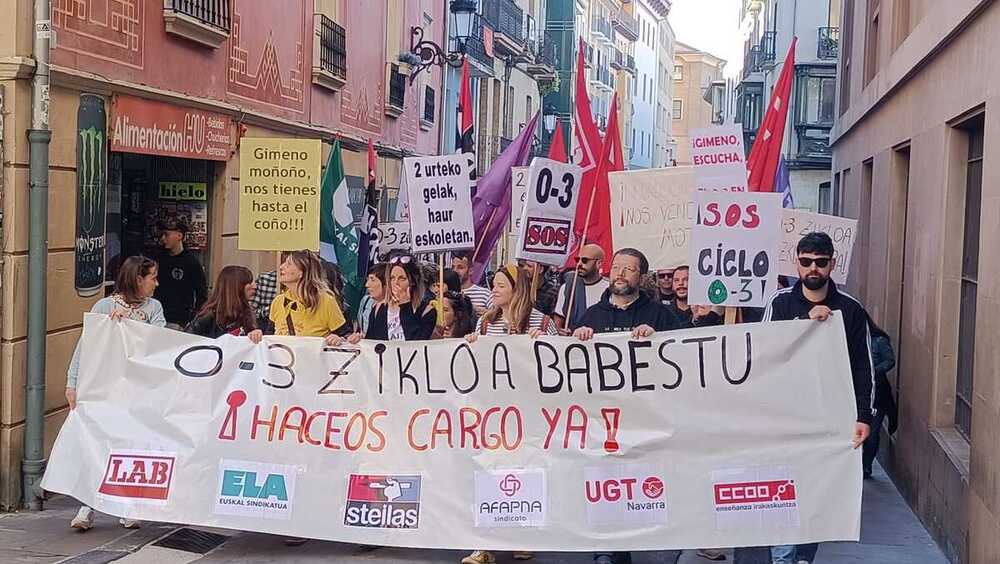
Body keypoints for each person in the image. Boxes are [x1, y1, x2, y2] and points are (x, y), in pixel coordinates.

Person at [763, 232, 874, 564]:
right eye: (806, 261)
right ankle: (784, 557)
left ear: (832, 265)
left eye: (821, 262)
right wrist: (802, 325)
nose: (813, 268)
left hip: (832, 419)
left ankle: (803, 556)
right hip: (785, 417)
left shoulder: (851, 309)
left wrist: (864, 417)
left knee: (816, 492)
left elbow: (864, 367)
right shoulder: (779, 303)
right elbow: (763, 353)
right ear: (796, 262)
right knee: (783, 490)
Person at [572, 248, 682, 564]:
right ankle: (607, 551)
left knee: (651, 489)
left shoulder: (661, 315)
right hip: (606, 424)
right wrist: (578, 340)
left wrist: (660, 338)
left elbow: (684, 355)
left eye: (629, 269)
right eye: (616, 267)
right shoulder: (591, 315)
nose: (620, 274)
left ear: (641, 277)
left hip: (650, 423)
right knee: (609, 491)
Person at [462, 264, 555, 564]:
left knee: (526, 470)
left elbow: (556, 361)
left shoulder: (540, 320)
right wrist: (473, 346)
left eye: (501, 285)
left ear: (517, 289)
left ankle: (523, 535)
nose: (494, 290)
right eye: (494, 285)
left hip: (528, 410)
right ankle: (484, 543)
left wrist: (546, 341)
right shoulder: (486, 324)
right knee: (489, 469)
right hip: (493, 410)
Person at [67, 256, 166, 531]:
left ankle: (128, 506)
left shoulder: (154, 308)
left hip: (137, 389)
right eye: (152, 277)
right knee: (98, 445)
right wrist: (72, 382)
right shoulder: (104, 306)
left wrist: (132, 322)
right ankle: (87, 506)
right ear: (138, 279)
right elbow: (86, 344)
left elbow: (158, 341)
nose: (156, 284)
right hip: (103, 387)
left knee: (129, 447)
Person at [268, 250, 349, 344]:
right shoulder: (278, 301)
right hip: (284, 358)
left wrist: (338, 338)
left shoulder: (326, 301)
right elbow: (268, 337)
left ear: (302, 272)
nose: (281, 267)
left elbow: (346, 335)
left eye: (288, 264)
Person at [363, 254, 437, 341]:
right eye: (392, 278)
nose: (396, 283)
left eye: (402, 278)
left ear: (412, 282)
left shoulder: (427, 312)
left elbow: (415, 341)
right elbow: (370, 342)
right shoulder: (378, 309)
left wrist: (405, 306)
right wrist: (358, 339)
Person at [153, 218, 207, 329]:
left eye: (167, 235)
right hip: (156, 318)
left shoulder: (191, 262)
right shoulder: (158, 259)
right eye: (162, 235)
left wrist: (193, 318)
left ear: (179, 236)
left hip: (180, 321)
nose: (163, 239)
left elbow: (201, 294)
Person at [186, 266, 263, 342]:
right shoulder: (207, 317)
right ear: (235, 286)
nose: (255, 286)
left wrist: (255, 334)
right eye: (249, 282)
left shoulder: (247, 313)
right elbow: (186, 342)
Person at [863, 319, 897, 479]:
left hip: (878, 393)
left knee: (873, 433)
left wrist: (873, 371)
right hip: (859, 392)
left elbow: (890, 361)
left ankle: (866, 465)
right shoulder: (854, 339)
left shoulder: (879, 341)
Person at [553, 243, 608, 332]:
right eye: (577, 260)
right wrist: (560, 332)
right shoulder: (568, 286)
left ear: (598, 263)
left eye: (584, 260)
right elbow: (558, 320)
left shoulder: (609, 289)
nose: (579, 264)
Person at [250, 252, 289, 333]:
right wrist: (272, 309)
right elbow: (252, 312)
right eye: (284, 262)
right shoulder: (265, 279)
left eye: (289, 264)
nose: (283, 267)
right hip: (267, 328)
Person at [358, 263, 387, 336]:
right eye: (367, 280)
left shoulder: (398, 308)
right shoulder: (365, 301)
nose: (367, 285)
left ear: (386, 283)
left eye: (372, 280)